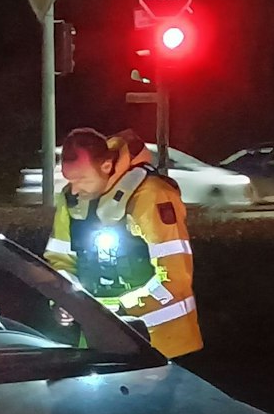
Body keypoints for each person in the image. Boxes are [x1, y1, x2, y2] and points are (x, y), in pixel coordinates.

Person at [45, 127, 203, 358]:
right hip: (100, 339)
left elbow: (175, 278)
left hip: (165, 344)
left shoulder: (152, 195)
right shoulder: (71, 201)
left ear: (106, 167)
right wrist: (63, 301)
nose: (74, 189)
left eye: (82, 179)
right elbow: (59, 260)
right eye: (70, 180)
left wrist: (118, 308)